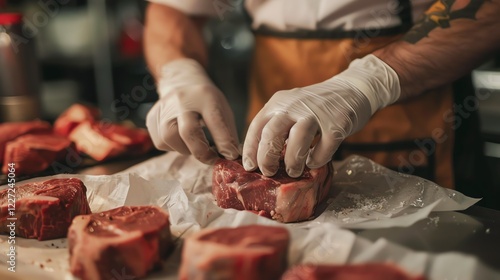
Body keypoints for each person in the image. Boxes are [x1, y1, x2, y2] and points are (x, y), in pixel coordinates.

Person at [144, 0, 500, 207]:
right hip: (274, 118)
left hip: (414, 113)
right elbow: (176, 10)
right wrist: (178, 72)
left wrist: (369, 82)